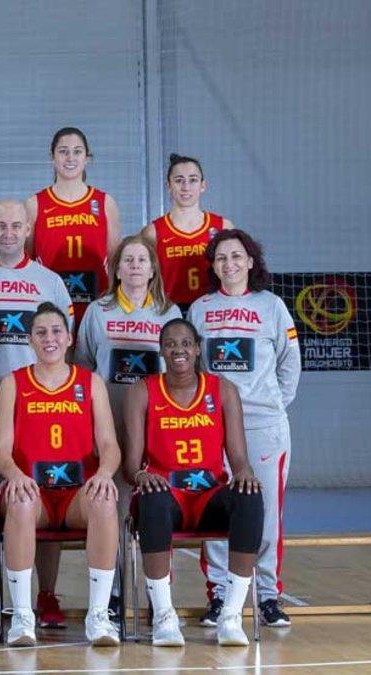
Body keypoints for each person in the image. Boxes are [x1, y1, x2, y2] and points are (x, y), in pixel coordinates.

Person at [0, 199, 76, 629]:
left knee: (47, 502)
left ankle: (44, 595)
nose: (8, 232)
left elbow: (64, 344)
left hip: (40, 417)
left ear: (29, 229)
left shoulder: (50, 282)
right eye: (0, 225)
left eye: (16, 226)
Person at [124, 319, 264, 647]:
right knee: (152, 498)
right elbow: (130, 466)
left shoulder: (223, 389)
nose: (178, 350)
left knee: (250, 497)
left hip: (209, 495)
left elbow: (239, 459)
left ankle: (230, 615)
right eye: (170, 344)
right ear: (161, 350)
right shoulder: (142, 391)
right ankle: (163, 615)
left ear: (197, 348)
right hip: (166, 493)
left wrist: (245, 472)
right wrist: (140, 475)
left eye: (186, 343)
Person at [0, 303, 122, 647]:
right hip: (33, 491)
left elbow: (109, 445)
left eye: (56, 331)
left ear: (69, 339)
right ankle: (21, 616)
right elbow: (0, 450)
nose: (49, 338)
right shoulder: (13, 383)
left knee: (105, 502)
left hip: (76, 492)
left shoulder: (90, 383)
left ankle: (98, 615)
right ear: (30, 340)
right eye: (41, 332)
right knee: (19, 503)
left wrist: (105, 473)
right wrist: (14, 474)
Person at [188, 229, 300, 628]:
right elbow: (193, 369)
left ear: (250, 261)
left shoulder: (272, 307)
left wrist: (271, 405)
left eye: (236, 256)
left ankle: (268, 597)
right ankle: (219, 596)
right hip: (213, 426)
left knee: (267, 514)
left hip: (265, 427)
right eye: (221, 258)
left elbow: (290, 363)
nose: (229, 264)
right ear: (213, 265)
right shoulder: (200, 309)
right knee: (217, 510)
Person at [75, 235, 182, 436]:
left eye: (142, 260)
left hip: (155, 418)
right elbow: (83, 366)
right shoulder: (97, 310)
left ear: (152, 271)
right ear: (117, 270)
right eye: (128, 260)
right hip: (106, 416)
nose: (135, 265)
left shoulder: (170, 313)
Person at [26, 127, 121, 314]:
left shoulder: (105, 203)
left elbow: (114, 262)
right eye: (63, 151)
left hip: (97, 303)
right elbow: (27, 261)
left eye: (77, 151)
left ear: (87, 158)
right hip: (49, 303)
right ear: (52, 157)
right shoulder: (34, 204)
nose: (70, 158)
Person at [141, 154, 235, 312]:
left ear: (203, 185)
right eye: (179, 180)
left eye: (193, 180)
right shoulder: (153, 232)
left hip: (214, 311)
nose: (186, 187)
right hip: (168, 312)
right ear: (168, 185)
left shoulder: (223, 227)